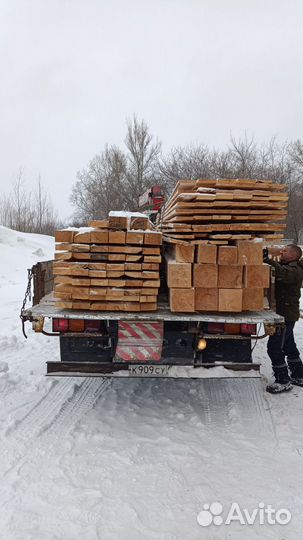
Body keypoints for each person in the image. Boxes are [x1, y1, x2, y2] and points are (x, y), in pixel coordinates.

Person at [263, 244, 303, 394]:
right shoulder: (290, 266)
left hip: (285, 316)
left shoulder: (295, 270)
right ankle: (299, 375)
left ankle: (283, 380)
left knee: (274, 347)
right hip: (285, 314)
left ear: (293, 255)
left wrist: (267, 260)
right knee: (288, 345)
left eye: (285, 251)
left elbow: (282, 273)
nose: (281, 252)